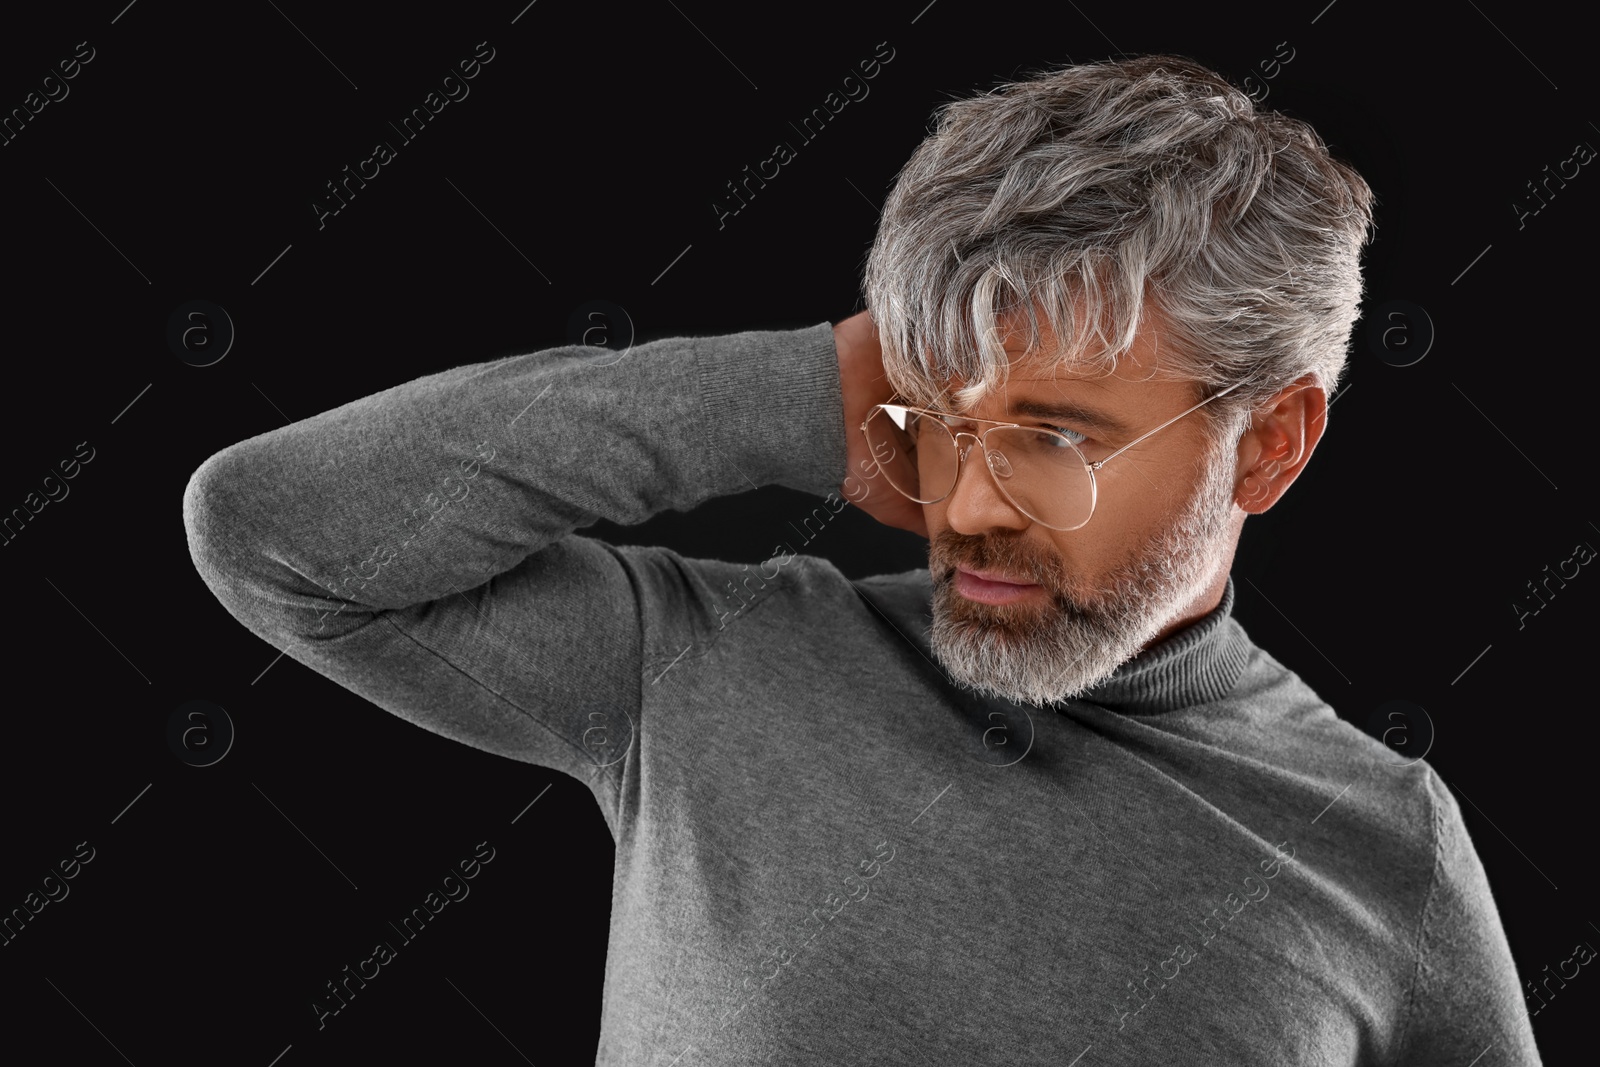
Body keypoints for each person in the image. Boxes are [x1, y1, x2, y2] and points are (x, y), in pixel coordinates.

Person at [183, 53, 1543, 1064]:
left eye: (1057, 438)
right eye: (943, 421)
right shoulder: (710, 671)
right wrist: (806, 390)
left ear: (1270, 447)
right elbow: (280, 536)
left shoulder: (1386, 852)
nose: (968, 508)